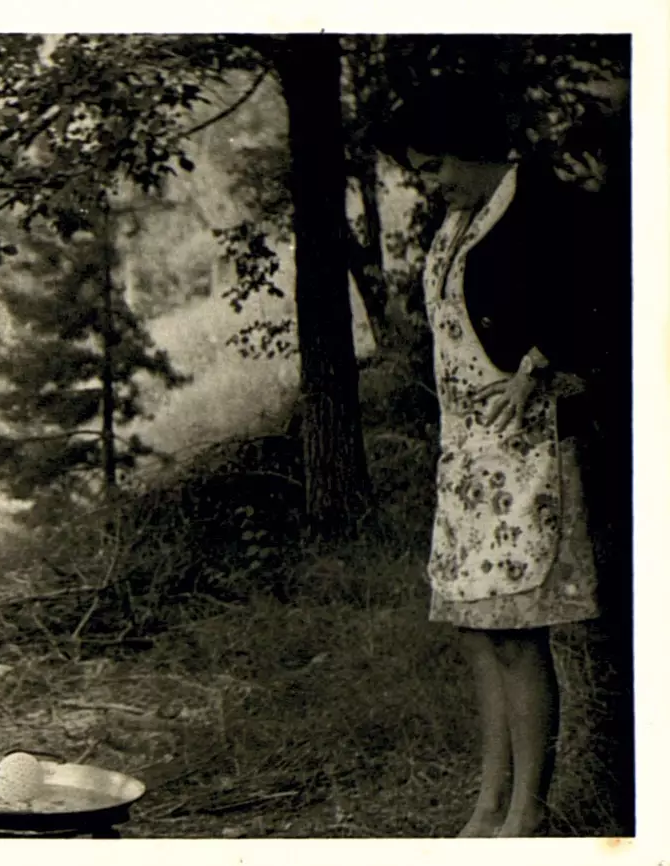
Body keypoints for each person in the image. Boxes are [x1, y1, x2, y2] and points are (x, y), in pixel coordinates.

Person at [376, 81, 631, 837]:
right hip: (468, 451)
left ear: (474, 149)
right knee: (480, 632)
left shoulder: (548, 204)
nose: (427, 183)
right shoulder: (460, 219)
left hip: (526, 449)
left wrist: (543, 363)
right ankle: (488, 803)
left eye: (433, 166)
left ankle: (527, 811)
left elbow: (613, 293)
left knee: (519, 632)